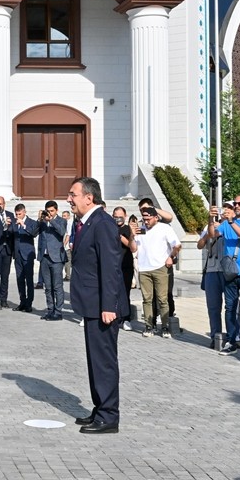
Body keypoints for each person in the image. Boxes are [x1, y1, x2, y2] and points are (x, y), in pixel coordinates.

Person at [67, 177, 126, 434]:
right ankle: (100, 408)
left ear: (88, 198)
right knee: (95, 360)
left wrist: (109, 305)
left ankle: (109, 416)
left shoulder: (102, 223)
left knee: (103, 361)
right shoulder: (86, 222)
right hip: (92, 304)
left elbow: (111, 268)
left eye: (73, 194)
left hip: (104, 307)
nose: (69, 199)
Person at [207, 195, 240, 354]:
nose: (237, 206)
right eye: (235, 203)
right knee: (230, 307)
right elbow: (212, 235)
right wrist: (211, 220)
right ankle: (232, 340)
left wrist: (231, 222)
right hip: (230, 272)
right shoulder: (226, 224)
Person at [134, 207, 179, 337]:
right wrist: (132, 235)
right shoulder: (141, 230)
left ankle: (165, 327)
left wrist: (171, 257)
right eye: (144, 219)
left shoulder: (165, 228)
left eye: (148, 219)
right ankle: (149, 326)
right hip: (144, 268)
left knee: (162, 299)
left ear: (156, 217)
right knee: (147, 299)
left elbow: (177, 245)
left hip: (160, 267)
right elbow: (134, 248)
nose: (146, 222)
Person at [197, 209, 228, 345]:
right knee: (213, 306)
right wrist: (209, 233)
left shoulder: (233, 226)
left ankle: (235, 337)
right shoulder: (210, 226)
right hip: (211, 269)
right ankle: (215, 336)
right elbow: (200, 245)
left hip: (228, 270)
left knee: (232, 306)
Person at [37, 201, 67, 320]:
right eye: (47, 211)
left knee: (57, 286)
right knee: (48, 287)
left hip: (56, 258)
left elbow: (62, 232)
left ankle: (58, 312)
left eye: (52, 211)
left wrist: (51, 220)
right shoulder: (43, 222)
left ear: (56, 210)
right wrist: (39, 220)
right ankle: (50, 310)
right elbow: (33, 233)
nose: (49, 213)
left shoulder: (61, 220)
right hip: (44, 257)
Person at [10, 203, 39, 312]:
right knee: (19, 279)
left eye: (20, 214)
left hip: (27, 254)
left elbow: (33, 234)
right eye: (16, 214)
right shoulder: (14, 222)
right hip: (17, 255)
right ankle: (22, 302)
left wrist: (23, 225)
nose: (18, 216)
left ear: (24, 212)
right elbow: (10, 234)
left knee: (29, 280)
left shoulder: (31, 222)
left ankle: (29, 303)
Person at [112, 207, 137, 329]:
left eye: (120, 216)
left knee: (125, 292)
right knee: (112, 293)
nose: (118, 219)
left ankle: (126, 318)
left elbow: (132, 247)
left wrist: (120, 236)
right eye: (115, 216)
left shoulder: (127, 229)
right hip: (112, 265)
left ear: (125, 216)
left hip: (125, 265)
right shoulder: (109, 228)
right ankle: (115, 317)